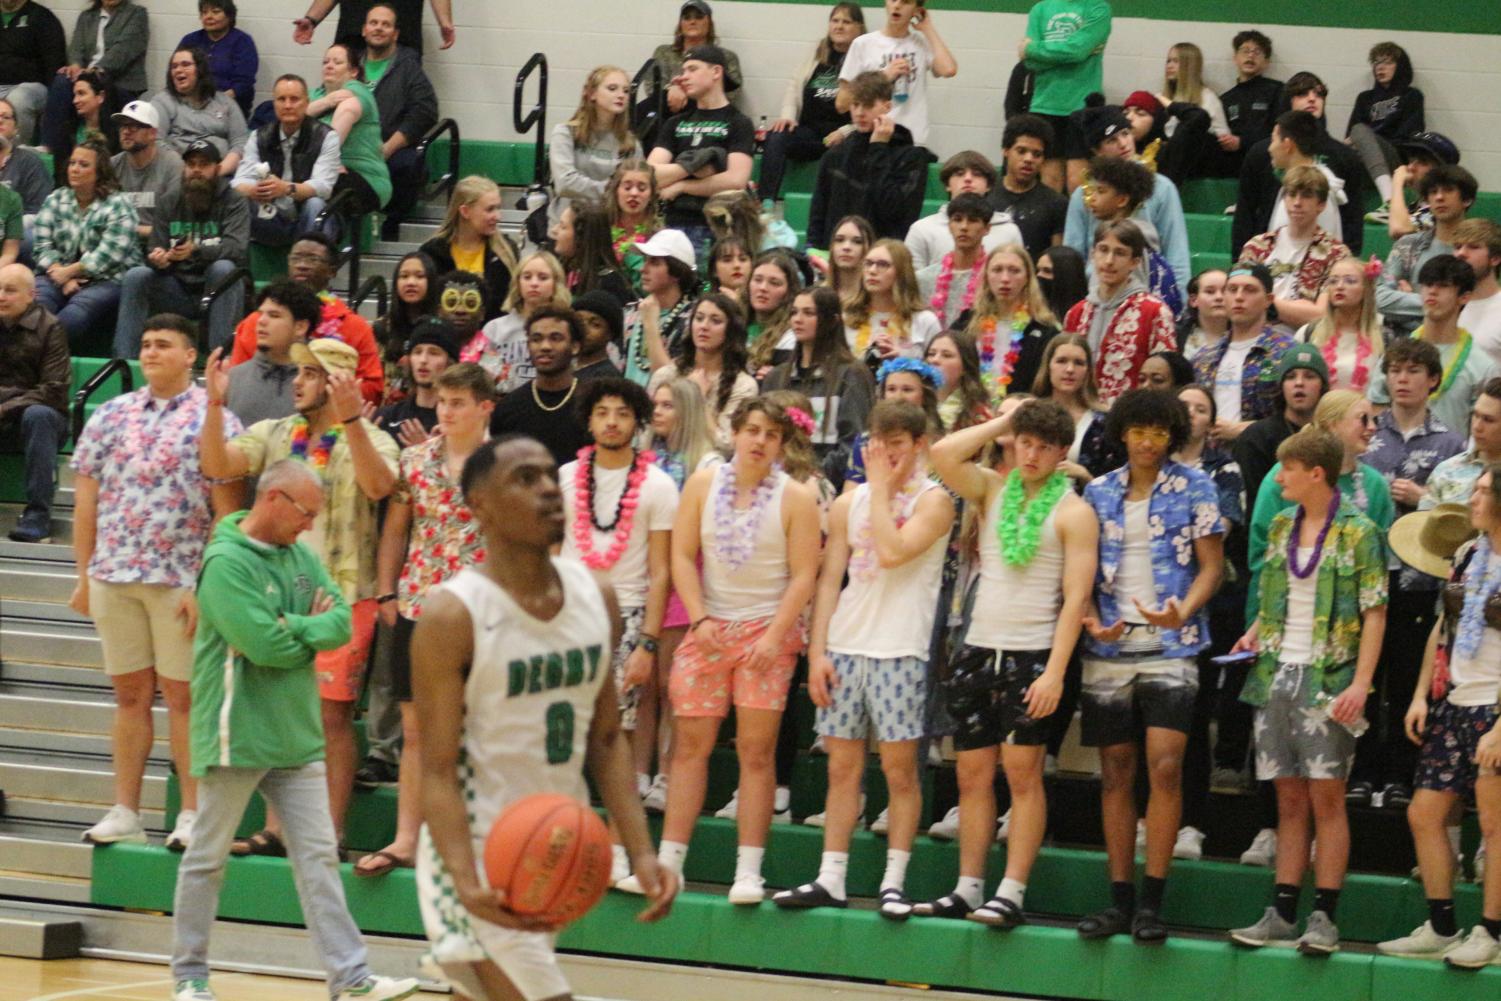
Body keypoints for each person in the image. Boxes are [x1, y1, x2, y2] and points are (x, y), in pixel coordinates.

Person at [412, 431, 674, 1000]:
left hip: (550, 845)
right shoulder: (452, 614)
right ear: (478, 504)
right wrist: (463, 877)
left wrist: (642, 851)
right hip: (477, 852)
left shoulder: (596, 595)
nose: (547, 492)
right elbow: (433, 767)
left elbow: (606, 739)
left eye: (548, 478)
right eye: (523, 480)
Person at [169, 459, 419, 1001]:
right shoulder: (225, 563)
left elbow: (338, 628)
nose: (309, 525)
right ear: (273, 499)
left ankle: (350, 979)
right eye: (304, 512)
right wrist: (300, 630)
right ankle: (189, 976)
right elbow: (264, 645)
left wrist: (294, 626)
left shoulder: (303, 558)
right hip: (238, 732)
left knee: (319, 857)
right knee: (207, 858)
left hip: (296, 735)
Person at [200, 337, 399, 856]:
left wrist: (352, 422)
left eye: (309, 375)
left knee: (332, 715)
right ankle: (275, 828)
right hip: (278, 586)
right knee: (277, 705)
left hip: (345, 593)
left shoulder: (373, 438)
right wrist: (215, 404)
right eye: (297, 373)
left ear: (334, 382)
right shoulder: (276, 433)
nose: (296, 383)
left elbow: (381, 488)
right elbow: (218, 465)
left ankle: (326, 832)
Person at [619, 396, 820, 904]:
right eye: (752, 430)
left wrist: (774, 636)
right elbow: (683, 556)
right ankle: (670, 864)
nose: (759, 441)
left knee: (755, 752)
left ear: (782, 443)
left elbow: (804, 576)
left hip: (767, 634)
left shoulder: (796, 497)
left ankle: (748, 871)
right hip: (709, 629)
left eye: (771, 435)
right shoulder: (705, 484)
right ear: (736, 432)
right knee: (690, 747)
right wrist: (700, 617)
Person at [913, 398, 1094, 923]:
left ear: (1063, 452)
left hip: (1033, 651)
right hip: (977, 647)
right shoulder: (993, 488)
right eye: (1025, 444)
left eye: (1043, 446)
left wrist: (1056, 672)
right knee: (970, 773)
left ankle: (1011, 891)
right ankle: (969, 886)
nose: (1031, 455)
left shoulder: (1074, 512)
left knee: (1022, 774)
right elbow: (942, 454)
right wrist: (1007, 423)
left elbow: (1076, 599)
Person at [775, 399, 955, 916]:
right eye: (879, 445)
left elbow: (896, 549)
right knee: (841, 770)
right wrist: (817, 653)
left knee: (900, 773)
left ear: (919, 446)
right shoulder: (845, 505)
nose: (887, 455)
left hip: (901, 648)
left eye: (897, 445)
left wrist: (878, 487)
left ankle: (893, 881)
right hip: (846, 647)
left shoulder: (934, 501)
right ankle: (830, 876)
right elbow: (829, 579)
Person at [69, 313, 237, 851]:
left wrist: (205, 583)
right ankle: (125, 809)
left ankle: (190, 813)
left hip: (179, 579)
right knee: (129, 697)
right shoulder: (111, 414)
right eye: (145, 344)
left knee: (185, 699)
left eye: (163, 344)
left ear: (191, 355)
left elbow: (226, 510)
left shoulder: (215, 419)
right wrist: (83, 574)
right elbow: (87, 500)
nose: (151, 352)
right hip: (114, 574)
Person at [1227, 427, 1387, 956]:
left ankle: (1325, 916)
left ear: (1316, 473)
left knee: (1328, 799)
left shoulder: (1360, 532)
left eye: (1287, 468)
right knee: (1288, 798)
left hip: (1329, 678)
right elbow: (1276, 593)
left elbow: (1375, 612)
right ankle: (1283, 910)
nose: (1279, 477)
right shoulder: (1278, 526)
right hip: (1276, 673)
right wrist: (1255, 632)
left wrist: (1362, 683)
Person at [1075, 389, 1223, 944]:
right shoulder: (1096, 491)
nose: (1148, 442)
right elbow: (1080, 575)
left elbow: (1213, 566)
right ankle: (1119, 899)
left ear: (1172, 436)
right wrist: (1091, 619)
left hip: (1174, 644)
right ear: (1122, 433)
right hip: (1108, 649)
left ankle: (1152, 903)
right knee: (1115, 771)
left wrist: (1182, 609)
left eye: (1160, 432)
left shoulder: (1197, 486)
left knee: (1165, 767)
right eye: (1139, 431)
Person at [355, 362, 493, 878]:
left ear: (485, 407)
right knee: (415, 732)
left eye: (459, 402)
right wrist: (387, 588)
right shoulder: (415, 460)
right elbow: (397, 528)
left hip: (481, 612)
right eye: (442, 400)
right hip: (418, 606)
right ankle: (406, 837)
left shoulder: (506, 462)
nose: (447, 410)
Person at [558, 378, 679, 881]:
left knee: (619, 736)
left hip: (626, 616)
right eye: (602, 412)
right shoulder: (564, 477)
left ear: (638, 422)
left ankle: (620, 849)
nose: (612, 421)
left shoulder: (657, 486)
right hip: (566, 614)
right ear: (589, 420)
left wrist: (648, 642)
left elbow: (661, 572)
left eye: (623, 414)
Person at [1380, 472, 1501, 967]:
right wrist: (1419, 695)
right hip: (1456, 701)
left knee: (1495, 827)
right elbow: (1443, 627)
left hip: (1496, 706)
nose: (1472, 497)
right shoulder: (1469, 555)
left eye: (1483, 490)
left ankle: (1492, 932)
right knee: (1424, 813)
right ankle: (1442, 925)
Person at [1359, 339, 1465, 809]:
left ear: (1433, 380)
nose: (1402, 379)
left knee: (1407, 678)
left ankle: (1402, 774)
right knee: (1366, 678)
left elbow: (1460, 517)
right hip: (1370, 574)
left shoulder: (1450, 443)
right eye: (1395, 370)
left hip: (1422, 578)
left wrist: (1421, 497)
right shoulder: (1366, 434)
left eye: (1413, 370)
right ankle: (1361, 772)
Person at [1247, 390, 1393, 622]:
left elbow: (1378, 562)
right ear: (1332, 425)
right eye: (1363, 419)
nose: (1373, 427)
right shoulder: (1285, 476)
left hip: (1347, 622)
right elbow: (1260, 552)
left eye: (1374, 419)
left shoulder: (1374, 485)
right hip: (1283, 612)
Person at [114, 140, 248, 357]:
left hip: (217, 291)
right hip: (178, 289)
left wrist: (197, 250)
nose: (196, 170)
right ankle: (124, 362)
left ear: (217, 168)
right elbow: (155, 247)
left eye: (203, 164)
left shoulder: (233, 201)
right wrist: (159, 259)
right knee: (137, 275)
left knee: (223, 269)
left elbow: (237, 250)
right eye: (191, 164)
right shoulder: (170, 201)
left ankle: (220, 359)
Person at [227, 231, 385, 404]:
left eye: (313, 259)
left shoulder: (354, 326)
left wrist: (324, 389)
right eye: (296, 258)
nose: (302, 265)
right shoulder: (256, 322)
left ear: (332, 271)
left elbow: (374, 389)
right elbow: (238, 382)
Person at [1061, 106, 1189, 291]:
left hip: (1147, 292)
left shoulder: (1162, 188)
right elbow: (1072, 258)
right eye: (1112, 140)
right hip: (1096, 292)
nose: (1123, 144)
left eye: (1126, 133)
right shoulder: (1082, 195)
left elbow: (1177, 255)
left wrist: (1179, 305)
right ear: (1097, 151)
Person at [647, 44, 754, 262]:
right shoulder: (674, 123)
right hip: (674, 224)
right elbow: (649, 174)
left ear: (716, 72)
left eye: (692, 69)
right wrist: (691, 167)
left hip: (719, 228)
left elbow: (736, 180)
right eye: (683, 70)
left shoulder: (739, 122)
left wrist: (681, 185)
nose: (684, 77)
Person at [1370, 255, 1499, 435]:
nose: (1432, 291)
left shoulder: (1482, 365)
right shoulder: (1395, 354)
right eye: (1427, 284)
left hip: (1452, 458)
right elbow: (1377, 404)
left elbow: (1481, 429)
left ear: (1464, 297)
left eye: (1443, 286)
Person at [807, 71, 935, 251]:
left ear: (887, 106)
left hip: (883, 255)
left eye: (868, 105)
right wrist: (813, 249)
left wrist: (878, 148)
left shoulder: (911, 157)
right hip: (839, 256)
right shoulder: (835, 156)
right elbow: (818, 212)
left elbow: (895, 209)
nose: (860, 112)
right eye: (856, 105)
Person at [32, 136, 139, 350]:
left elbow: (108, 256)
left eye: (83, 164)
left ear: (99, 172)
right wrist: (61, 275)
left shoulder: (119, 205)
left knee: (74, 314)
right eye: (72, 163)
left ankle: (40, 360)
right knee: (35, 308)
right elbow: (41, 246)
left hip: (106, 279)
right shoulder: (55, 199)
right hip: (56, 274)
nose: (75, 169)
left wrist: (69, 272)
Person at [762, 285, 874, 476]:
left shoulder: (852, 374)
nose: (798, 319)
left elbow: (854, 443)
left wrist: (811, 476)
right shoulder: (776, 377)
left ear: (832, 320)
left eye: (808, 313)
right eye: (794, 312)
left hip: (828, 485)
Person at [1063, 219, 1176, 406]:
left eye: (1120, 253)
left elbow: (1164, 379)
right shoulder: (1076, 313)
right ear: (1092, 254)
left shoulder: (1155, 312)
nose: (1109, 261)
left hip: (1129, 419)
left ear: (1135, 262)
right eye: (1103, 250)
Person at [759, 3, 862, 206]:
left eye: (846, 22)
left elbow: (871, 108)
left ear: (859, 27)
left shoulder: (865, 57)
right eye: (835, 21)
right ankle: (766, 201)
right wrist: (787, 116)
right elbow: (794, 85)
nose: (839, 26)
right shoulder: (818, 52)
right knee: (777, 136)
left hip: (843, 137)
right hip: (811, 133)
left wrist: (846, 131)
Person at [1232, 108, 1367, 260]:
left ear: (1287, 144)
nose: (1270, 148)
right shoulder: (1297, 184)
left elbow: (1316, 253)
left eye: (1273, 140)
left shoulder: (1317, 190)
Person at [0, 263, 68, 543]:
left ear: (31, 295)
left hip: (40, 423)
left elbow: (53, 390)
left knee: (38, 415)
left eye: (10, 290)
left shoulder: (51, 327)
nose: (1, 296)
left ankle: (38, 515)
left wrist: (5, 407)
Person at [1237, 165, 1351, 332]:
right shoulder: (1256, 246)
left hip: (1303, 342)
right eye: (1291, 195)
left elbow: (1321, 316)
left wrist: (1265, 304)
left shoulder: (1336, 253)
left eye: (1306, 196)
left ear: (1321, 205)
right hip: (1254, 334)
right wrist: (1295, 308)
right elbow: (1239, 303)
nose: (1297, 203)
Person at [231, 74, 341, 246]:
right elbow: (238, 182)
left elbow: (323, 187)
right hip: (271, 216)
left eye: (294, 99)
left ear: (306, 102)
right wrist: (254, 190)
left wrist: (285, 188)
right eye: (281, 99)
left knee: (315, 204)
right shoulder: (259, 136)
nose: (288, 105)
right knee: (240, 200)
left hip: (307, 213)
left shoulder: (326, 136)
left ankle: (314, 264)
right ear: (274, 104)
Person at [1191, 263, 1295, 442]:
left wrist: (1247, 430)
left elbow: (1297, 419)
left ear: (1268, 300)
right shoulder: (1203, 357)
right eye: (1232, 289)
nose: (1239, 297)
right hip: (1209, 459)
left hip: (1262, 458)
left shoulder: (1286, 353)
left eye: (1250, 290)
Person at [836, 0, 958, 148]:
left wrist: (928, 29)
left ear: (916, 10)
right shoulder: (863, 44)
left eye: (905, 2)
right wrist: (882, 77)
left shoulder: (920, 43)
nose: (897, 6)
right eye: (893, 0)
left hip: (912, 139)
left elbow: (948, 70)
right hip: (874, 138)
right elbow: (842, 104)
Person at [361, 3, 437, 238]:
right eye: (374, 23)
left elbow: (425, 112)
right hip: (351, 149)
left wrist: (387, 148)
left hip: (390, 149)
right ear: (364, 30)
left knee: (409, 163)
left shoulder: (409, 67)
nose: (379, 28)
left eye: (386, 24)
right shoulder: (350, 65)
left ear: (395, 34)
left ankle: (391, 226)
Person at [1019, 0, 1112, 192]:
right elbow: (1031, 64)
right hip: (1045, 105)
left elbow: (1077, 51)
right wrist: (1069, 53)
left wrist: (1031, 49)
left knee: (1078, 185)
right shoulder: (1040, 9)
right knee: (1049, 184)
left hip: (1082, 106)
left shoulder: (1098, 8)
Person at [1231, 344, 1329, 525]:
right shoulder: (1255, 438)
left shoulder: (1330, 440)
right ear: (1281, 386)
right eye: (1291, 377)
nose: (1299, 383)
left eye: (1309, 376)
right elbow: (1249, 507)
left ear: (1322, 387)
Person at [1376, 165, 1479, 336]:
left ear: (1466, 200)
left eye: (1448, 190)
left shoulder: (1477, 250)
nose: (1439, 197)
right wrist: (1442, 303)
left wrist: (1405, 303)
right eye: (1433, 192)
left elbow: (1472, 306)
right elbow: (1381, 299)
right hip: (1404, 343)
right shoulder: (1408, 245)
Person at [1075, 154, 1182, 313]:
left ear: (1122, 200)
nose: (1092, 199)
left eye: (1101, 191)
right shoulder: (1131, 237)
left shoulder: (1132, 243)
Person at [648, 292, 757, 448]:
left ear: (731, 330)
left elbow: (727, 446)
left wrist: (698, 398)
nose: (704, 326)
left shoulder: (743, 385)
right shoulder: (666, 375)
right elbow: (646, 433)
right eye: (699, 318)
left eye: (715, 321)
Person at [488, 306, 593, 466]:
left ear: (575, 346)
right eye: (536, 339)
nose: (545, 346)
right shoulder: (508, 407)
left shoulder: (592, 405)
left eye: (555, 338)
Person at [40, 0, 148, 156]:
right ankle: (49, 150)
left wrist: (94, 71)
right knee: (61, 81)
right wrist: (75, 66)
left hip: (120, 82)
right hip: (87, 79)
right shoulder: (86, 16)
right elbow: (76, 48)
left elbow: (124, 50)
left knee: (96, 87)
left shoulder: (137, 14)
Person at [959, 243, 1059, 399]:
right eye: (997, 270)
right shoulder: (965, 322)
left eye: (1014, 271)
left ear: (1027, 277)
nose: (1005, 279)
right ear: (986, 276)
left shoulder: (1045, 330)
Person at [462, 250, 569, 394]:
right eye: (527, 277)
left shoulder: (567, 327)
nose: (534, 283)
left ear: (556, 283)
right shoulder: (494, 329)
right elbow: (482, 380)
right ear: (517, 283)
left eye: (543, 278)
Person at [307, 43, 391, 219]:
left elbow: (348, 108)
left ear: (353, 72)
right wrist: (327, 101)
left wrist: (330, 158)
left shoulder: (358, 91)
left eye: (337, 62)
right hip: (325, 171)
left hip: (364, 178)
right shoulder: (314, 95)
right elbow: (289, 117)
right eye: (326, 62)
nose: (329, 66)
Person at [418, 175, 517, 323]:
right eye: (490, 209)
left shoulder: (507, 252)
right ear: (465, 211)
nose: (498, 216)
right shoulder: (431, 252)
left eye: (498, 208)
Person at [224, 279, 322, 426]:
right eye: (261, 314)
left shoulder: (321, 385)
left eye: (274, 315)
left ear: (300, 327)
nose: (261, 321)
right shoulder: (233, 378)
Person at [550, 64, 639, 223]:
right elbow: (564, 183)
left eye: (626, 91)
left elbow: (638, 183)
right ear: (591, 94)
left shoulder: (631, 142)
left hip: (608, 227)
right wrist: (615, 190)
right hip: (567, 227)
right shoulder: (565, 133)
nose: (621, 95)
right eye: (612, 88)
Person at [905, 151, 1024, 271]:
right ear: (947, 184)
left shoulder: (1009, 231)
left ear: (988, 185)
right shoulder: (922, 229)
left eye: (977, 174)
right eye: (959, 174)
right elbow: (910, 283)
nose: (968, 179)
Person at [1346, 43, 1424, 216]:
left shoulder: (1411, 96)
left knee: (1361, 130)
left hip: (1395, 161)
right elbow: (1351, 137)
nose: (1380, 67)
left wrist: (1371, 139)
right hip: (1365, 162)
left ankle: (1390, 200)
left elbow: (1410, 136)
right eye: (1376, 62)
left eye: (1387, 62)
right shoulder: (1364, 99)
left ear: (1400, 66)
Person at [150, 46, 249, 177]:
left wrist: (217, 171)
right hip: (178, 175)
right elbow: (154, 141)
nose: (178, 70)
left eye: (185, 65)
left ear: (200, 70)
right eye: (174, 67)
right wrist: (189, 171)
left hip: (221, 174)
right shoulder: (161, 102)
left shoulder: (225, 102)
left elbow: (240, 142)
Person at [1031, 331, 1115, 484]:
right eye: (1062, 361)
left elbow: (1112, 489)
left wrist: (1085, 476)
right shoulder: (1030, 413)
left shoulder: (1104, 422)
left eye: (1078, 363)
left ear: (1088, 371)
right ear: (1048, 366)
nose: (1070, 369)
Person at [844, 238, 941, 371]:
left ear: (902, 273)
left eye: (883, 265)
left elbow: (938, 374)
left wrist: (902, 362)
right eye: (868, 263)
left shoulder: (925, 321)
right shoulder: (846, 316)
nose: (872, 270)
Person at [1296, 257, 1382, 394]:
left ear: (1366, 289)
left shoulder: (1383, 337)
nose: (1340, 286)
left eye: (1350, 281)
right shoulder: (1308, 333)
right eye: (1333, 281)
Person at [622, 229, 696, 386]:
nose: (643, 268)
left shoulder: (693, 319)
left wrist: (650, 324)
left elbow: (671, 382)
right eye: (645, 260)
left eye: (654, 262)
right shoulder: (630, 313)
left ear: (677, 272)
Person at [990, 115, 1068, 259]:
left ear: (1043, 159)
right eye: (1021, 151)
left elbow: (1056, 262)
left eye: (1036, 154)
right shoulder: (986, 194)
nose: (1028, 159)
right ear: (1006, 151)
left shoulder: (1057, 204)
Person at [108, 100, 182, 242]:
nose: (126, 131)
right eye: (123, 125)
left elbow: (176, 225)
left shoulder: (172, 165)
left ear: (152, 133)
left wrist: (131, 230)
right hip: (120, 247)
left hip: (161, 247)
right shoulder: (112, 165)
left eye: (134, 126)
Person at [372, 315, 454, 442]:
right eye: (417, 352)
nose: (423, 360)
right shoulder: (387, 417)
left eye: (434, 353)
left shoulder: (456, 421)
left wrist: (425, 451)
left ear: (450, 362)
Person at [372, 250, 438, 398]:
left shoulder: (441, 327)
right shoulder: (382, 327)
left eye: (419, 276)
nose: (411, 282)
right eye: (404, 276)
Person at [176, 1, 258, 118]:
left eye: (215, 12)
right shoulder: (190, 40)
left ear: (229, 16)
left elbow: (243, 83)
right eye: (204, 12)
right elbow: (176, 72)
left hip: (229, 107)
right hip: (191, 104)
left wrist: (214, 103)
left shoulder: (242, 42)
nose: (209, 16)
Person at [1217, 30, 1281, 179]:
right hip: (1235, 170)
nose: (1250, 55)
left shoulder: (1277, 91)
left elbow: (1281, 131)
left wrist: (1242, 142)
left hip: (1269, 167)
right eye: (1245, 51)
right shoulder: (1225, 99)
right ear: (1235, 58)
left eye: (1257, 52)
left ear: (1266, 62)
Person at [0, 0, 65, 145]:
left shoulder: (42, 17)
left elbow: (55, 63)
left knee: (18, 100)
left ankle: (16, 156)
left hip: (32, 87)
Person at [294, 0, 457, 58]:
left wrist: (444, 22)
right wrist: (311, 19)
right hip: (353, 39)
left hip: (401, 41)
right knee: (345, 104)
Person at [1383, 131, 1460, 237]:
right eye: (1411, 160)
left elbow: (1399, 229)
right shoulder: (1417, 205)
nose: (1410, 168)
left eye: (1423, 162)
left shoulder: (1440, 207)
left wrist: (1397, 183)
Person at [744, 250, 802, 374]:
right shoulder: (735, 324)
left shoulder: (791, 336)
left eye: (774, 283)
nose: (763, 288)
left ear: (789, 292)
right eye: (758, 280)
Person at [607, 158, 660, 294]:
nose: (634, 193)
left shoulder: (659, 237)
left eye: (642, 188)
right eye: (627, 187)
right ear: (616, 190)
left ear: (652, 194)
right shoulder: (601, 229)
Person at [924, 331, 993, 432]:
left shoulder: (979, 413)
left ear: (965, 367)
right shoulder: (914, 399)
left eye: (947, 355)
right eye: (931, 354)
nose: (935, 360)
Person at [0, 96, 55, 218]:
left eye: (5, 117)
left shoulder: (30, 163)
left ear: (15, 129)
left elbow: (39, 211)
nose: (0, 121)